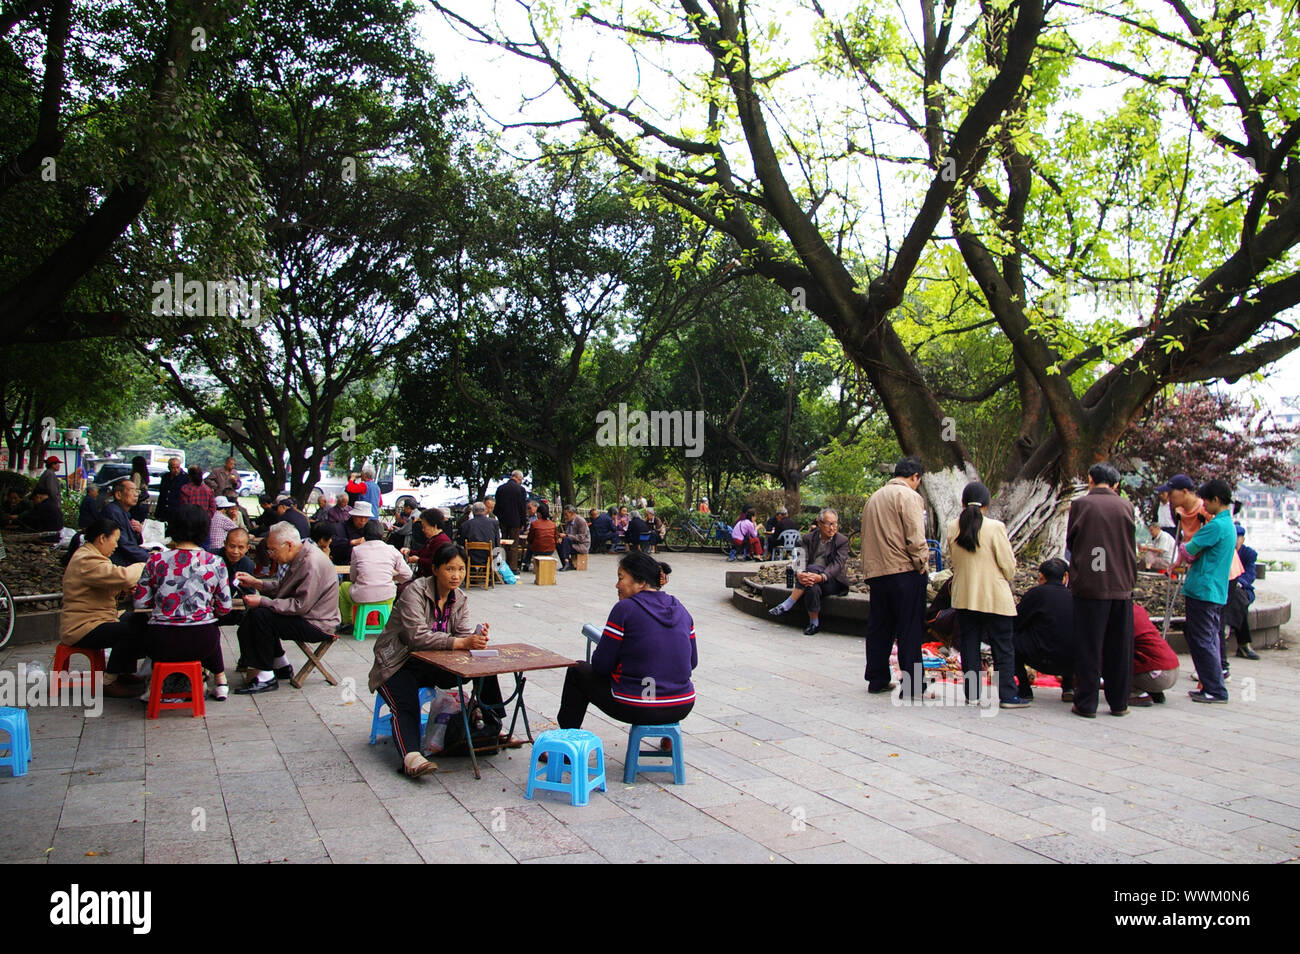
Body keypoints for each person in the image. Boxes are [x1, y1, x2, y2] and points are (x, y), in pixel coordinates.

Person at [369, 544, 504, 777]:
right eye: (450, 569)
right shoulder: (414, 591)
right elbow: (416, 637)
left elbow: (461, 636)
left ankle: (493, 724)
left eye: (461, 569)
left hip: (435, 662)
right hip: (399, 661)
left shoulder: (460, 598)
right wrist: (461, 643)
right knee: (405, 701)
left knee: (485, 667)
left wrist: (475, 638)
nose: (456, 575)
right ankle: (411, 756)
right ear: (435, 569)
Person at [557, 551, 697, 735]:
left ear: (640, 582)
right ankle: (668, 739)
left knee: (577, 671)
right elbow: (692, 663)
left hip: (639, 705)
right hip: (682, 704)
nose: (617, 585)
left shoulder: (625, 609)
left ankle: (566, 742)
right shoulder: (681, 609)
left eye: (621, 578)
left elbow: (601, 665)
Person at [132, 504, 233, 700]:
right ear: (204, 530)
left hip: (161, 643)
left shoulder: (155, 561)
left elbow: (140, 604)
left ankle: (160, 687)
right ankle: (218, 680)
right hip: (202, 642)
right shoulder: (215, 562)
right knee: (210, 626)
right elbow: (225, 607)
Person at [233, 521, 342, 693]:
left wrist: (262, 601)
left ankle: (265, 676)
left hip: (317, 623)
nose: (271, 555)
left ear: (289, 545)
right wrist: (257, 583)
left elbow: (299, 605)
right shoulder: (301, 555)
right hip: (306, 616)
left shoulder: (311, 562)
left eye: (273, 550)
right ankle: (280, 665)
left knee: (261, 616)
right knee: (258, 613)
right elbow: (284, 588)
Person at [945, 481, 1025, 708]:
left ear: (962, 503)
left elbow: (954, 558)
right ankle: (1008, 696)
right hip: (994, 597)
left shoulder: (952, 527)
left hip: (965, 596)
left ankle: (973, 694)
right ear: (987, 504)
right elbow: (1008, 565)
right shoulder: (995, 527)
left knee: (969, 645)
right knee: (1002, 647)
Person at [1066, 462, 1137, 718]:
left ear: (1090, 479)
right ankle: (1119, 702)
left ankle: (1086, 703)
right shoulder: (1126, 506)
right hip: (1121, 584)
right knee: (1119, 646)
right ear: (1116, 484)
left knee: (1089, 645)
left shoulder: (1081, 504)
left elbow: (1072, 542)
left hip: (1091, 586)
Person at [860, 457, 930, 698]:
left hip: (877, 573)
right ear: (915, 477)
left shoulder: (874, 498)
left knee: (880, 626)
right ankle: (912, 686)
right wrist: (922, 563)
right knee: (909, 629)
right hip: (904, 571)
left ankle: (877, 678)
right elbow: (915, 536)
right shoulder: (909, 496)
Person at [60, 517, 148, 699]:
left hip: (99, 619)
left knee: (137, 619)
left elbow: (109, 585)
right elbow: (124, 576)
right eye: (114, 541)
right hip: (82, 627)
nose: (115, 546)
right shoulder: (86, 559)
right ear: (102, 538)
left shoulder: (94, 557)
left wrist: (122, 591)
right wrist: (144, 563)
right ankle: (109, 680)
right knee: (131, 631)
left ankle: (122, 671)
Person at [1176, 479, 1237, 704]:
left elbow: (1190, 548)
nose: (1204, 506)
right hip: (1214, 588)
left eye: (1207, 501)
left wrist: (1184, 548)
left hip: (1203, 588)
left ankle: (1215, 688)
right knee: (1209, 637)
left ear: (1216, 501)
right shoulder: (1227, 525)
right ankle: (1211, 685)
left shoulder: (1216, 525)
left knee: (1202, 639)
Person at [768, 508, 850, 636]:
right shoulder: (808, 538)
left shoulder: (842, 541)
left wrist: (821, 576)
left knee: (812, 569)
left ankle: (788, 603)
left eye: (835, 524)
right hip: (811, 580)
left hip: (832, 581)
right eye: (829, 524)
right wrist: (800, 572)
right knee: (812, 587)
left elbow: (837, 565)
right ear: (820, 524)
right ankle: (814, 624)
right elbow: (801, 558)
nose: (833, 528)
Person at [1012, 558, 1075, 703]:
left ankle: (1024, 688)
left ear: (1041, 576)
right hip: (1072, 661)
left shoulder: (1036, 594)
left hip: (1040, 657)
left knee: (1008, 638)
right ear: (1065, 576)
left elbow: (1016, 622)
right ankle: (1068, 687)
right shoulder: (1076, 597)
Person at [339, 521, 411, 631]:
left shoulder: (357, 550)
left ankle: (348, 623)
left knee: (343, 587)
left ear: (364, 534)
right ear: (382, 534)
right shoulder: (391, 549)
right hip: (387, 596)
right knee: (389, 591)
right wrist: (393, 578)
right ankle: (386, 623)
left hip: (362, 596)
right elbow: (407, 574)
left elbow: (353, 577)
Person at [1131, 602, 1179, 705]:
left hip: (1158, 675)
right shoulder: (1137, 610)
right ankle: (1152, 691)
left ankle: (1136, 694)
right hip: (1173, 669)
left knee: (1113, 665)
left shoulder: (1123, 615)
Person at [1224, 524, 1259, 660]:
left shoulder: (1248, 554)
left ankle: (1236, 639)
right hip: (1225, 589)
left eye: (1237, 538)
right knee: (1236, 601)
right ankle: (1243, 644)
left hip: (1242, 589)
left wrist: (1238, 582)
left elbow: (1250, 575)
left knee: (1238, 598)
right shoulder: (1224, 551)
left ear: (1242, 539)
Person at [103, 479, 151, 566]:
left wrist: (138, 532)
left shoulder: (123, 512)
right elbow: (124, 545)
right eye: (132, 490)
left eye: (137, 491)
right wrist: (151, 558)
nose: (136, 494)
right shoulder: (113, 512)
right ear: (118, 495)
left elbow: (133, 542)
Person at [494, 470, 528, 570]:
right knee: (514, 545)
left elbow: (497, 507)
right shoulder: (521, 490)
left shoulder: (500, 488)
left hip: (502, 521)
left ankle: (500, 566)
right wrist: (523, 522)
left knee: (502, 543)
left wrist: (499, 518)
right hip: (515, 521)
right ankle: (512, 568)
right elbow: (522, 508)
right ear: (519, 478)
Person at [405, 508, 452, 577]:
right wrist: (409, 552)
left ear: (434, 526)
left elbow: (434, 563)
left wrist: (418, 560)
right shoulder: (432, 539)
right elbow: (422, 553)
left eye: (424, 527)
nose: (423, 530)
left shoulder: (442, 541)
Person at [559, 504, 590, 570]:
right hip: (571, 543)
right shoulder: (567, 522)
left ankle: (566, 562)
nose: (565, 517)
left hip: (581, 545)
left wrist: (566, 536)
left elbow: (581, 538)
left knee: (566, 540)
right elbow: (567, 534)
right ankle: (566, 563)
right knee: (558, 543)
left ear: (572, 513)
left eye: (566, 514)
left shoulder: (581, 521)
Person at [155, 457, 184, 523]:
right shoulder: (165, 477)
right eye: (173, 468)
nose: (176, 470)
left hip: (177, 512)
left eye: (178, 467)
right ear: (169, 468)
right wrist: (157, 513)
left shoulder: (185, 478)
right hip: (164, 511)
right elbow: (162, 495)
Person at [129, 455, 152, 521]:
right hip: (144, 503)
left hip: (138, 505)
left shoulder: (136, 475)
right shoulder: (144, 474)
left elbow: (134, 488)